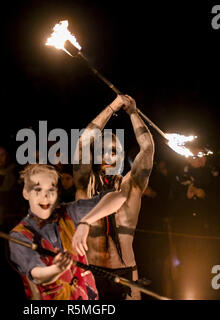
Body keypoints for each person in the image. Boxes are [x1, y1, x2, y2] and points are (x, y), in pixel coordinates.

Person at [73, 94, 154, 300]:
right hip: (90, 272)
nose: (109, 156)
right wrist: (112, 107)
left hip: (126, 273)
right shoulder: (86, 183)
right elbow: (82, 143)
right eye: (103, 151)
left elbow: (148, 148)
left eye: (114, 151)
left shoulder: (131, 184)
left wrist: (133, 113)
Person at [8, 164, 127, 300]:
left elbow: (120, 197)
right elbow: (37, 274)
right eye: (38, 190)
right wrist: (57, 269)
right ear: (26, 193)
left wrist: (85, 222)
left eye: (51, 189)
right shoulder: (19, 235)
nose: (45, 196)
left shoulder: (70, 212)